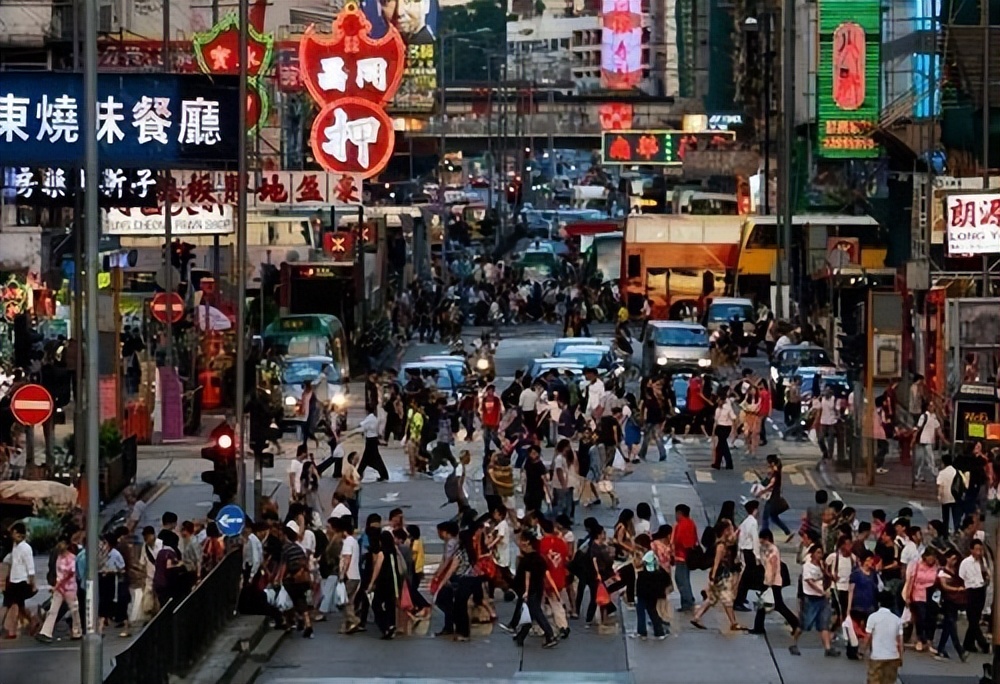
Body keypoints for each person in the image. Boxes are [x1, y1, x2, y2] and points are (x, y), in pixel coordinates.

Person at [751, 529, 801, 652]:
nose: (761, 541)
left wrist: (770, 583)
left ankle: (795, 623)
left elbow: (773, 567)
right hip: (767, 581)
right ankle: (759, 626)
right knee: (765, 604)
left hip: (773, 582)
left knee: (777, 605)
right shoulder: (766, 549)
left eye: (762, 539)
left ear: (767, 538)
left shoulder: (773, 550)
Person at [690, 520, 743, 632]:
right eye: (729, 529)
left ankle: (697, 617)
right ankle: (733, 623)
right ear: (724, 531)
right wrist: (713, 576)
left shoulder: (724, 542)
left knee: (711, 599)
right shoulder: (720, 546)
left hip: (720, 574)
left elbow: (733, 539)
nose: (730, 531)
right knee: (727, 599)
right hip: (721, 576)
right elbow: (716, 562)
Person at [512, 531, 559, 649]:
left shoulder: (528, 560)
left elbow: (527, 577)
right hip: (538, 589)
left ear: (528, 543)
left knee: (536, 613)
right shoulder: (540, 558)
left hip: (531, 590)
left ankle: (550, 635)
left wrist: (526, 591)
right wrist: (555, 590)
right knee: (530, 614)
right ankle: (521, 636)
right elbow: (547, 575)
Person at [36, 537, 82, 643]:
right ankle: (45, 632)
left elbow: (69, 574)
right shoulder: (59, 558)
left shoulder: (72, 558)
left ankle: (77, 631)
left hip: (69, 588)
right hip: (59, 588)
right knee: (53, 610)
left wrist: (57, 585)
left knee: (74, 610)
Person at [800, 544, 840, 657]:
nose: (820, 555)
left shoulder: (821, 565)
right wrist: (821, 591)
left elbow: (824, 576)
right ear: (812, 553)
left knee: (824, 623)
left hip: (822, 598)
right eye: (817, 552)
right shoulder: (807, 566)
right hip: (811, 597)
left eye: (821, 553)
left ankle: (828, 648)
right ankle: (795, 640)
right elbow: (809, 581)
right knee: (806, 623)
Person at [2, 522, 36, 639]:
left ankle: (12, 631)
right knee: (18, 606)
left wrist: (32, 582)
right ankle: (32, 620)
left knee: (12, 605)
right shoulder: (15, 547)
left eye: (14, 533)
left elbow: (30, 566)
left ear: (19, 534)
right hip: (13, 580)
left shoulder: (26, 548)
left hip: (22, 580)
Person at [935, 550, 968, 661]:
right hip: (947, 600)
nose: (954, 561)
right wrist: (957, 589)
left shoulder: (956, 571)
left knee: (948, 626)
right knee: (951, 625)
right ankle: (960, 650)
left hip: (955, 601)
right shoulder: (942, 571)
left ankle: (940, 648)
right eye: (952, 559)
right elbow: (944, 586)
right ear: (948, 558)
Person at [959, 539, 991, 654]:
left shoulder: (982, 561)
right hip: (970, 591)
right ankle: (983, 642)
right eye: (976, 549)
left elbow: (986, 573)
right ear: (971, 550)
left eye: (980, 549)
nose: (979, 552)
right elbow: (961, 577)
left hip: (980, 590)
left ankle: (968, 643)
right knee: (972, 619)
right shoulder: (966, 563)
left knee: (976, 618)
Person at [866, 592, 904, 684]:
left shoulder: (873, 617)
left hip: (877, 656)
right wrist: (901, 657)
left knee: (874, 680)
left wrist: (864, 651)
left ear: (879, 603)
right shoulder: (897, 620)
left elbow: (868, 637)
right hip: (893, 656)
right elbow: (900, 642)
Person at [733, 500, 761, 611]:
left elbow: (739, 536)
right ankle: (739, 600)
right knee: (746, 578)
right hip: (749, 552)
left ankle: (741, 599)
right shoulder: (753, 522)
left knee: (745, 577)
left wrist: (739, 553)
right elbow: (755, 539)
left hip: (743, 551)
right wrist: (757, 556)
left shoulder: (745, 522)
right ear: (755, 510)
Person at [757, 456, 793, 540]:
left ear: (772, 463)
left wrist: (762, 491)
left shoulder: (776, 473)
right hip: (774, 497)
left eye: (768, 464)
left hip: (773, 498)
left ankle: (764, 535)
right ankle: (788, 532)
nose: (767, 466)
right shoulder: (775, 472)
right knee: (773, 517)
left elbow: (771, 485)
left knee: (765, 517)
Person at [913, 401, 947, 483]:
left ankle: (919, 475)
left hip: (928, 441)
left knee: (926, 459)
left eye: (933, 406)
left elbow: (938, 429)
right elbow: (918, 428)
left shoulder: (934, 417)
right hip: (922, 440)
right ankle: (932, 475)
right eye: (931, 406)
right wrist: (913, 439)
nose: (933, 407)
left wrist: (944, 440)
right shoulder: (924, 416)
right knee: (925, 459)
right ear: (927, 407)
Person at [673, 504, 698, 612]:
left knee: (681, 580)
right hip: (688, 556)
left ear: (679, 513)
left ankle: (688, 602)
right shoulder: (691, 523)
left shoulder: (681, 525)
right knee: (685, 579)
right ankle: (686, 601)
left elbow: (678, 540)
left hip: (681, 555)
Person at [711, 388, 737, 470]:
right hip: (719, 427)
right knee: (720, 446)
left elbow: (734, 418)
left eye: (718, 400)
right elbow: (716, 420)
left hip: (726, 427)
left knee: (723, 445)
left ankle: (728, 463)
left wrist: (734, 430)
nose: (717, 401)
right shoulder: (717, 409)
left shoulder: (727, 408)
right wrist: (713, 431)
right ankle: (718, 463)